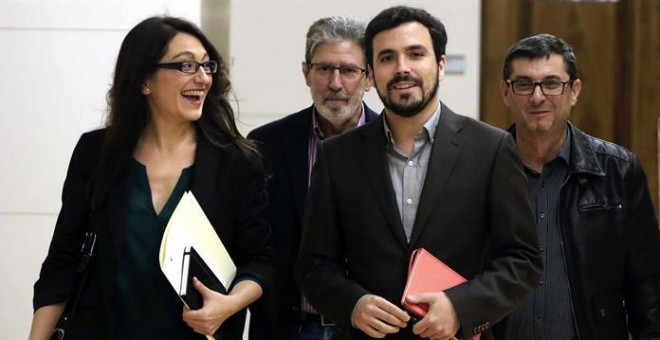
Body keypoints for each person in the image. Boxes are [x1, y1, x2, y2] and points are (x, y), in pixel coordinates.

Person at [295, 6, 543, 340]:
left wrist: (461, 308)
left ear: (440, 65)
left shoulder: (491, 148)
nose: (402, 69)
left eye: (415, 54)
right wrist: (353, 304)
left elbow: (522, 260)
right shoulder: (337, 155)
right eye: (386, 58)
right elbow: (314, 265)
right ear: (370, 73)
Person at [29, 16, 273, 339]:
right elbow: (61, 264)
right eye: (186, 66)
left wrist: (227, 305)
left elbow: (261, 260)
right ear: (145, 80)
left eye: (206, 65)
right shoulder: (96, 153)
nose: (202, 78)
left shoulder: (236, 163)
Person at [496, 33, 660, 340]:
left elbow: (648, 284)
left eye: (552, 83)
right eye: (523, 84)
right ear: (506, 92)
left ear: (574, 91)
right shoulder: (483, 169)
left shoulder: (619, 171)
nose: (537, 97)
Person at [247, 16, 378, 340]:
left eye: (349, 70)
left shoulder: (392, 144)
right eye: (324, 69)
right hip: (289, 326)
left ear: (369, 78)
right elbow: (253, 241)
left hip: (369, 330)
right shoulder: (266, 144)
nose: (335, 83)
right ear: (306, 73)